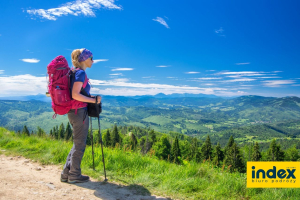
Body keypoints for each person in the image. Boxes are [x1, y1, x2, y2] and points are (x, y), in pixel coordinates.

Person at [60, 48, 101, 183]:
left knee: (76, 143)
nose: (93, 61)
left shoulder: (75, 72)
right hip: (79, 112)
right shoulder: (80, 74)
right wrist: (93, 100)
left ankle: (66, 173)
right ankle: (74, 175)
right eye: (91, 58)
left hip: (74, 112)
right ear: (84, 59)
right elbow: (75, 94)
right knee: (80, 144)